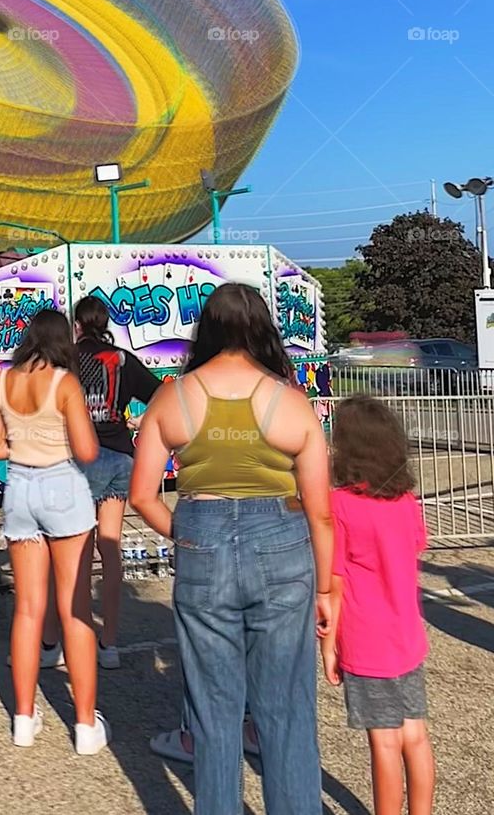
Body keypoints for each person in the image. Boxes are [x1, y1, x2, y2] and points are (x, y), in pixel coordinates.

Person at [130, 282, 333, 815]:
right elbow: (320, 510)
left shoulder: (172, 396)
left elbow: (142, 495)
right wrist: (329, 588)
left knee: (213, 715)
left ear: (208, 328)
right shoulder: (290, 401)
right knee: (286, 709)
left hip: (202, 538)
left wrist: (189, 536)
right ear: (262, 328)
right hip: (284, 547)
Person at [0, 310, 110, 754]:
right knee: (74, 607)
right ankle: (85, 725)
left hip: (19, 489)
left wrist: (23, 441)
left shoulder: (3, 382)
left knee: (28, 608)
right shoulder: (64, 383)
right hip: (63, 487)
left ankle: (22, 716)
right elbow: (88, 450)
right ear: (63, 341)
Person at [321, 397, 434, 815]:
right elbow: (416, 546)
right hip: (408, 635)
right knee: (415, 735)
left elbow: (334, 581)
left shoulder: (343, 505)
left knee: (384, 741)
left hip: (367, 639)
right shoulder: (406, 502)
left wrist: (329, 644)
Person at [72, 295, 160, 667]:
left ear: (77, 324)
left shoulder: (68, 360)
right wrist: (139, 422)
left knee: (78, 550)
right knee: (110, 546)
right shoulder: (123, 359)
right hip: (121, 454)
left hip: (81, 456)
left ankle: (74, 637)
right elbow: (159, 393)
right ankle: (110, 643)